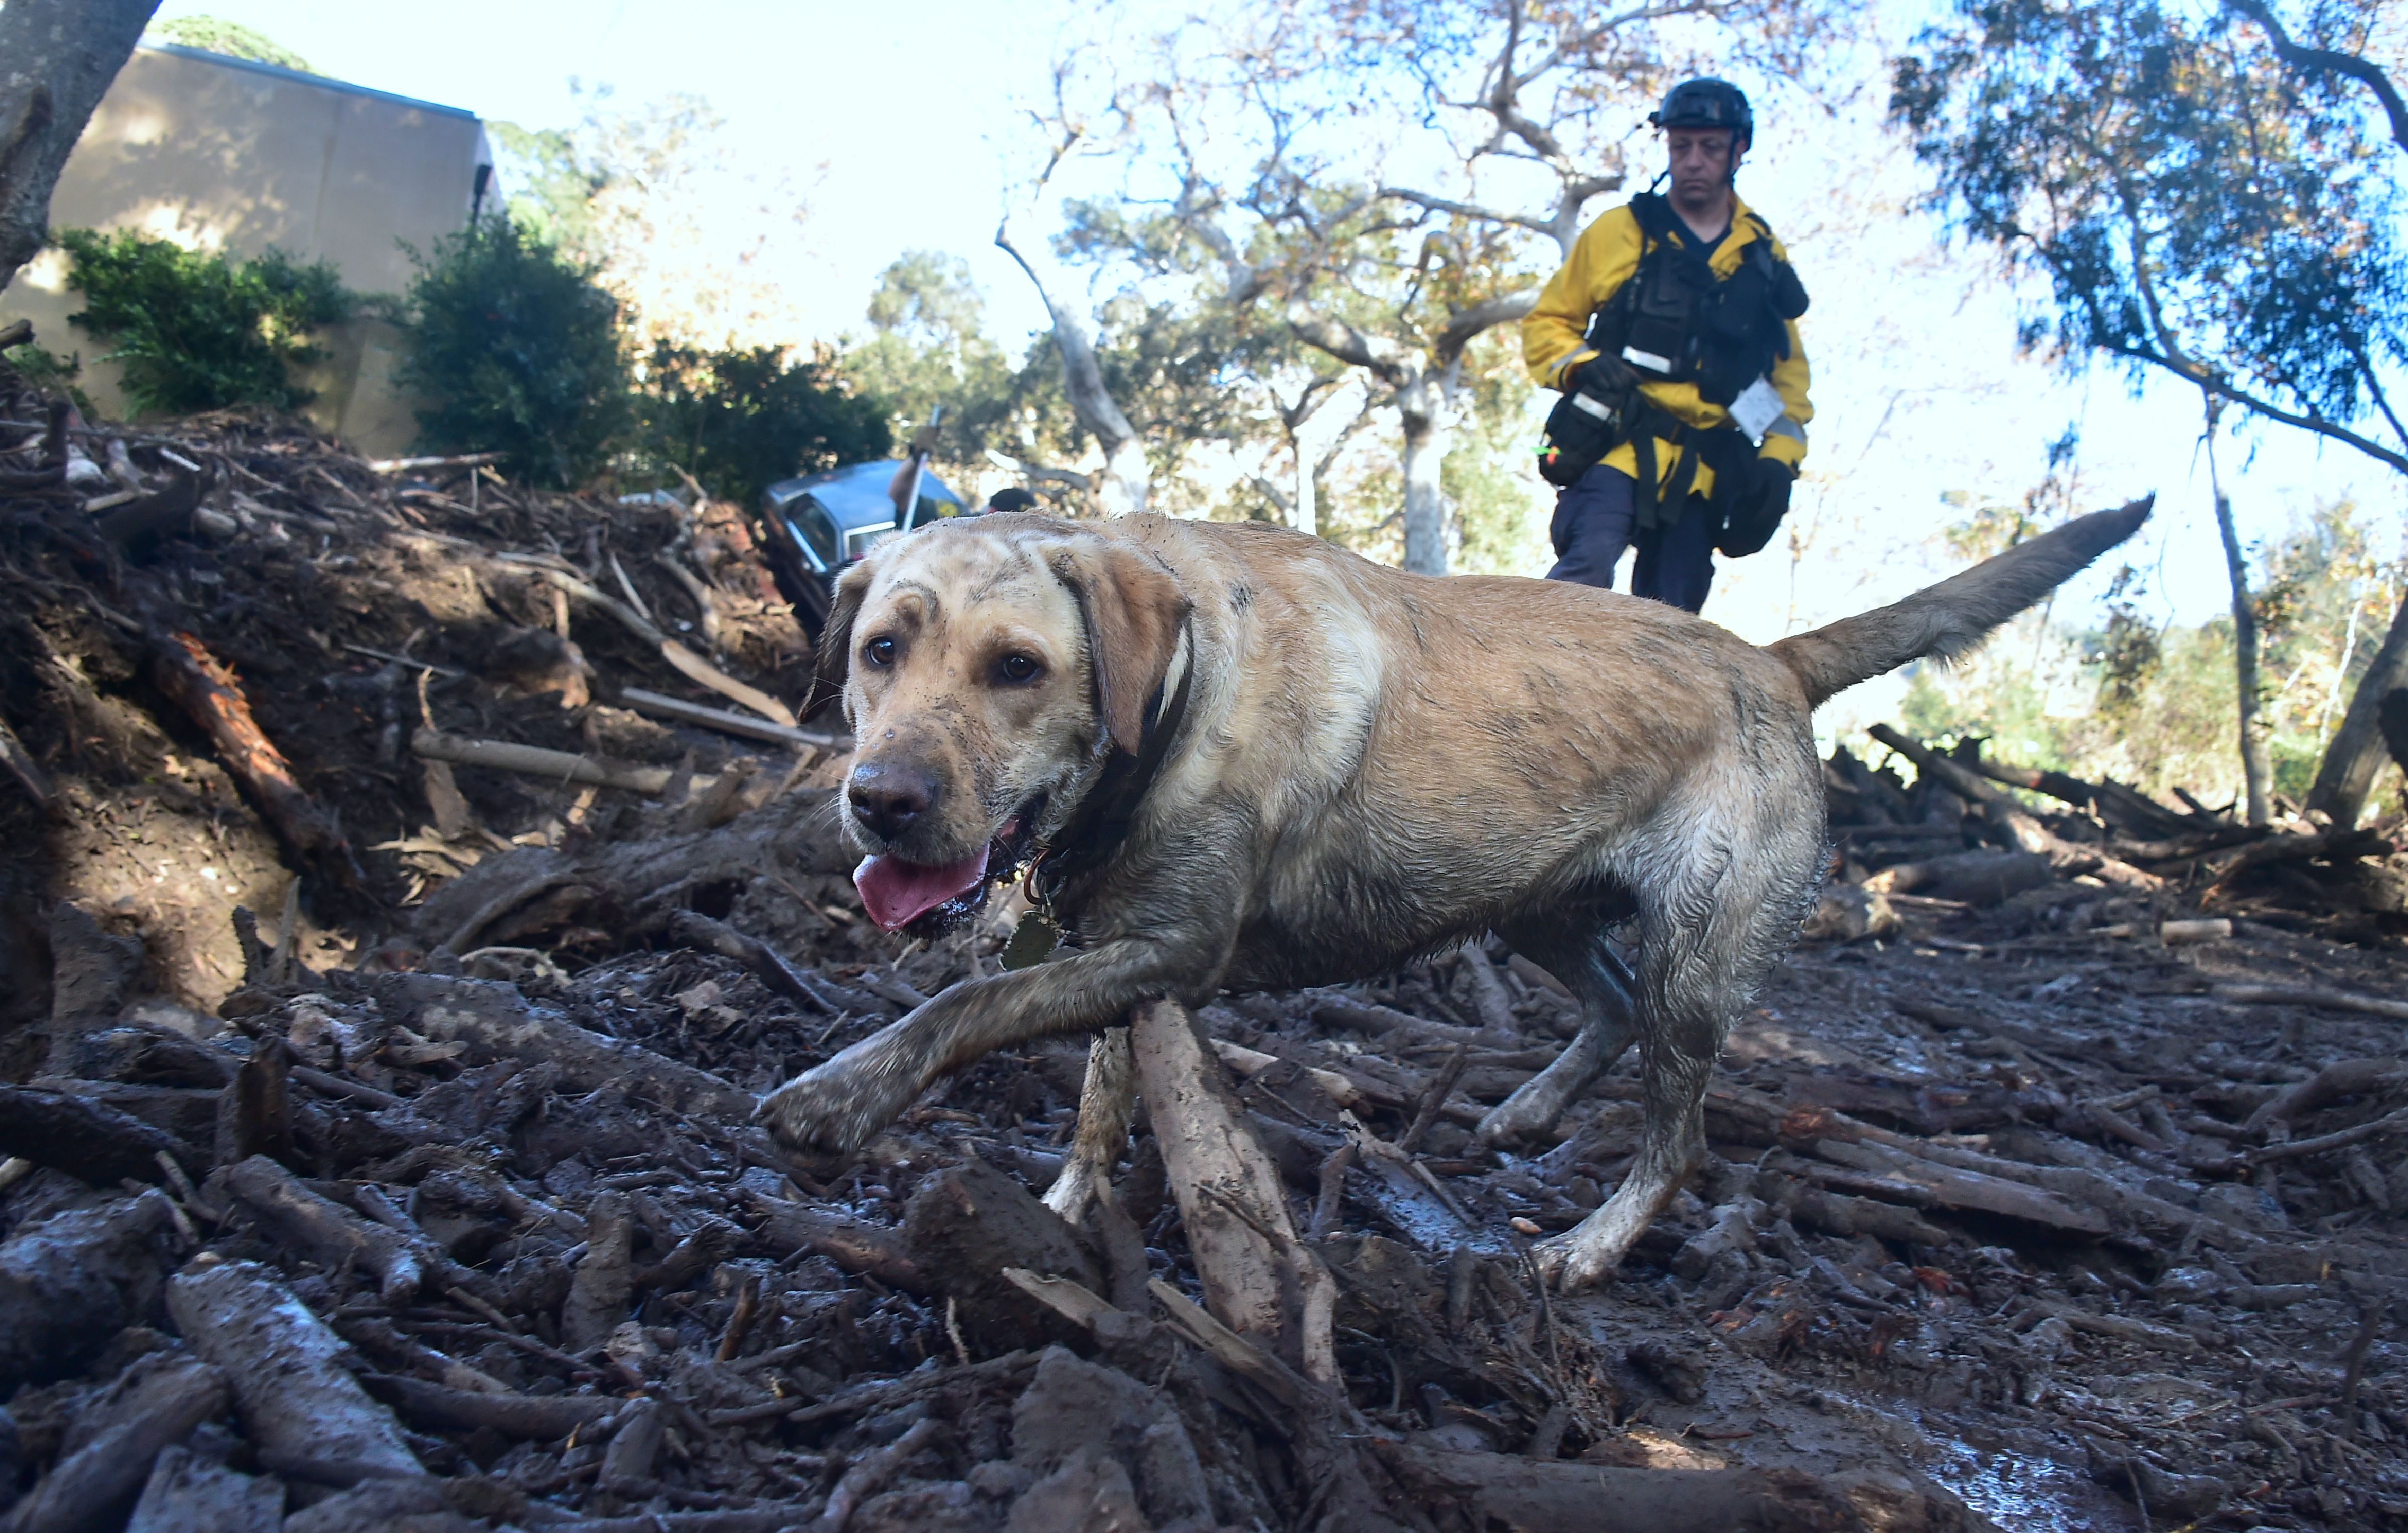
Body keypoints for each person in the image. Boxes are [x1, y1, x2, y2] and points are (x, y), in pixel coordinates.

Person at [1521, 77, 1813, 613]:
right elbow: (1547, 324)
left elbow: (1787, 385)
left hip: (1705, 472)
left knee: (1674, 624)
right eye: (1681, 146)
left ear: (1738, 151)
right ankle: (1529, 692)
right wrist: (1582, 365)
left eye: (1711, 147)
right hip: (1616, 444)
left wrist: (1778, 464)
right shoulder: (1619, 231)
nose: (1694, 160)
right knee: (1580, 580)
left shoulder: (1763, 257)